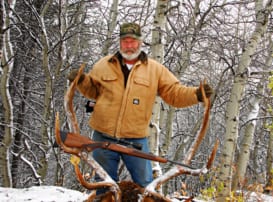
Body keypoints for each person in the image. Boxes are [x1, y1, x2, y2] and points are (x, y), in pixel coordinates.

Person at [67, 22, 213, 195]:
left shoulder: (155, 70)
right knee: (104, 186)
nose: (129, 45)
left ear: (141, 42)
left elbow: (174, 93)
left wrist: (196, 94)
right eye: (125, 41)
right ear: (120, 42)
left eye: (133, 41)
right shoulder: (103, 65)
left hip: (135, 140)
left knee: (145, 185)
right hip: (102, 137)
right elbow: (93, 91)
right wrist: (81, 81)